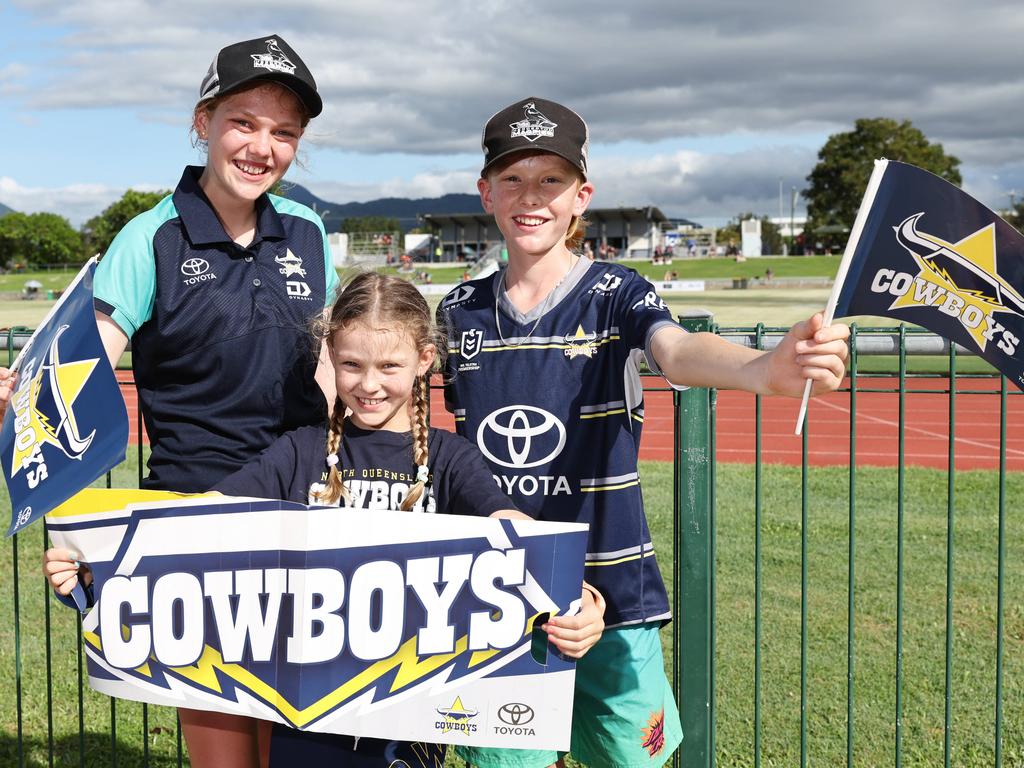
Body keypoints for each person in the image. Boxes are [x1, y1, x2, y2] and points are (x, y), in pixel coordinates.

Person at [45, 271, 606, 767]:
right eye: (352, 364)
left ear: (425, 361)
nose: (369, 384)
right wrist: (98, 561)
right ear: (329, 356)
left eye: (390, 366)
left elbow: (512, 528)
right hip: (303, 722)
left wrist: (575, 598)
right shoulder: (298, 453)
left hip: (407, 724)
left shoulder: (450, 459)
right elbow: (198, 522)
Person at [438, 96, 849, 768]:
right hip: (501, 593)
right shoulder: (458, 312)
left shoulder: (617, 293)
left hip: (615, 598)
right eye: (512, 179)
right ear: (485, 193)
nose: (530, 197)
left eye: (551, 181)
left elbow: (679, 351)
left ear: (582, 196)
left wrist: (765, 368)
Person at [37, 34, 338, 768]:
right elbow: (82, 374)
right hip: (193, 517)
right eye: (244, 122)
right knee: (223, 735)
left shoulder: (310, 230)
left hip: (304, 512)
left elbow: (328, 368)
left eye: (284, 132)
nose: (262, 146)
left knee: (304, 735)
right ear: (203, 122)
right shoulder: (149, 238)